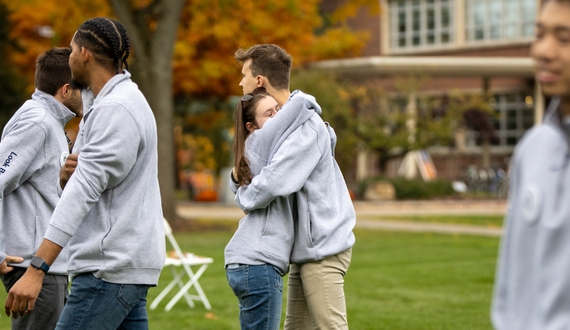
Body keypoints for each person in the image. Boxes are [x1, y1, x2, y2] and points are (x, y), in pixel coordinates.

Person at [4, 17, 165, 330]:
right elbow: (92, 183)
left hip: (108, 270)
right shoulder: (115, 103)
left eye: (73, 50)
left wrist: (37, 268)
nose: (70, 57)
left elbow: (83, 194)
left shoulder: (116, 109)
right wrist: (67, 179)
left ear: (86, 55)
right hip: (124, 268)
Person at [234, 44, 356, 329]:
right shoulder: (281, 124)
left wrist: (242, 196)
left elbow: (275, 182)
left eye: (244, 75)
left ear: (260, 81)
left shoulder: (306, 127)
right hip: (306, 250)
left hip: (323, 248)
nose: (241, 82)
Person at [491, 1, 570, 329]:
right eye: (539, 34)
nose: (543, 51)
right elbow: (511, 283)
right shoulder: (533, 148)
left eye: (564, 38)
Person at [0, 47, 82, 330]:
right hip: (31, 270)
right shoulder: (37, 122)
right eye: (84, 88)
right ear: (67, 89)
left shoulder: (50, 122)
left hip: (47, 268)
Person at [226, 86, 321, 329]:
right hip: (258, 263)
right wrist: (302, 97)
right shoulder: (262, 145)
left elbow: (239, 181)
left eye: (279, 109)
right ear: (251, 127)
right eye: (269, 114)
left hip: (247, 260)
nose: (279, 117)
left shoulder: (256, 149)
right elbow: (299, 107)